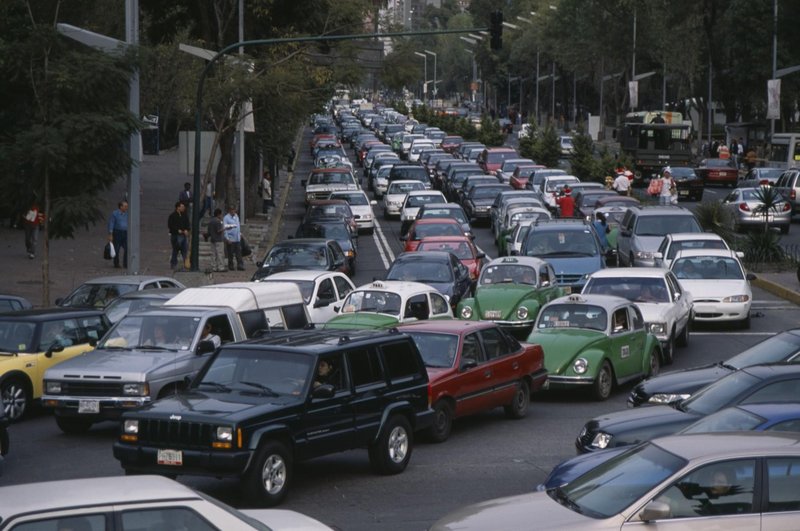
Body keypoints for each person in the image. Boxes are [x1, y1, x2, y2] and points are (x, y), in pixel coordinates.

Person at [168, 201, 190, 271]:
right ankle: (173, 264)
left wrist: (187, 229)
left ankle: (185, 265)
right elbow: (170, 225)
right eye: (182, 207)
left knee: (184, 250)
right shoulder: (172, 216)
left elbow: (187, 224)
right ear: (178, 207)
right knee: (176, 249)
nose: (183, 208)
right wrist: (177, 230)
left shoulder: (184, 215)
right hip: (176, 235)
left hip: (183, 235)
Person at [107, 200, 129, 269]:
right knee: (116, 248)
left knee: (127, 248)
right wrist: (110, 233)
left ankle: (126, 263)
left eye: (127, 206)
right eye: (125, 206)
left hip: (125, 232)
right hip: (117, 232)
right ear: (121, 207)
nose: (126, 207)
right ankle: (116, 263)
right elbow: (111, 223)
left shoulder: (127, 213)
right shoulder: (115, 213)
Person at [223, 205, 244, 271]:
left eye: (234, 210)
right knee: (230, 254)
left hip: (237, 238)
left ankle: (240, 265)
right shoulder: (226, 218)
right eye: (231, 210)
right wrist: (227, 238)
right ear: (229, 210)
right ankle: (231, 265)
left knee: (239, 253)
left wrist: (240, 234)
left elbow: (238, 226)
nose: (233, 211)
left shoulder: (236, 216)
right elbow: (225, 228)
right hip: (230, 238)